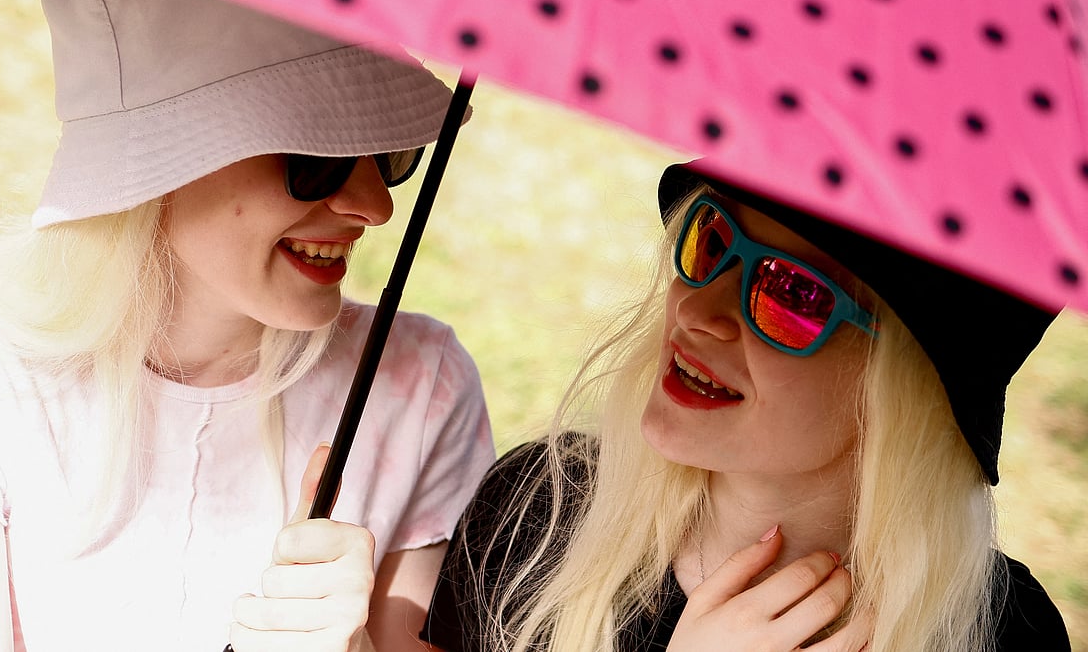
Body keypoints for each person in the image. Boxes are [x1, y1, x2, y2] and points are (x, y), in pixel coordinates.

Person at [0, 0, 496, 650]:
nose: (374, 206)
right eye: (316, 158)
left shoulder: (420, 386)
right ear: (157, 163)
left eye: (388, 152)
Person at [422, 161, 1071, 651]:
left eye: (791, 292)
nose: (698, 310)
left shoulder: (1003, 634)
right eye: (712, 241)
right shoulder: (535, 514)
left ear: (909, 389)